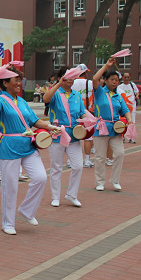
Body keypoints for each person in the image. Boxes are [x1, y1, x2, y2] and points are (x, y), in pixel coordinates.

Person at [0, 65, 60, 235]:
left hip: (27, 145)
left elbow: (34, 121)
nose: (20, 83)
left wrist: (50, 126)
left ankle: (27, 210)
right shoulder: (1, 99)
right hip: (9, 147)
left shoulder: (21, 101)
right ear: (5, 83)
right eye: (16, 79)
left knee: (40, 177)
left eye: (20, 79)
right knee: (10, 186)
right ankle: (8, 223)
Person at [43, 66, 87, 207]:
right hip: (57, 134)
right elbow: (45, 98)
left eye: (73, 77)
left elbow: (82, 113)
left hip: (74, 136)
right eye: (67, 77)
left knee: (78, 166)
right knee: (56, 167)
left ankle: (72, 194)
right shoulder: (56, 93)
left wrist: (90, 120)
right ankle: (55, 196)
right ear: (61, 77)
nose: (70, 80)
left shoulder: (77, 95)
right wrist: (58, 84)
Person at [91, 58, 132, 191]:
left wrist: (129, 120)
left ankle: (115, 180)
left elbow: (125, 110)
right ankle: (100, 182)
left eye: (116, 80)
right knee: (100, 156)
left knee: (119, 153)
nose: (114, 82)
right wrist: (106, 65)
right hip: (101, 127)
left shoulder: (118, 96)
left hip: (116, 129)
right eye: (112, 79)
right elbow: (95, 78)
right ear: (106, 80)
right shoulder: (100, 92)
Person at [71, 64, 95, 167]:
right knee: (88, 138)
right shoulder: (91, 83)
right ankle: (87, 160)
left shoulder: (71, 83)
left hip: (75, 112)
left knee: (73, 136)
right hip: (88, 113)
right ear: (85, 73)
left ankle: (70, 160)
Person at [117, 72, 138, 143]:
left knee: (131, 122)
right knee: (123, 121)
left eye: (128, 77)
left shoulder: (132, 85)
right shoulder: (119, 87)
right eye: (125, 77)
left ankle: (131, 138)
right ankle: (122, 136)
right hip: (123, 107)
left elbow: (137, 92)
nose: (126, 79)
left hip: (132, 107)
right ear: (122, 78)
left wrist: (137, 96)